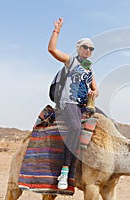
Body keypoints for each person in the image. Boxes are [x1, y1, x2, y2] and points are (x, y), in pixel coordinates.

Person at [48, 17, 99, 190]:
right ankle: (64, 172)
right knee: (76, 128)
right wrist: (57, 30)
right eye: (85, 47)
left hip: (83, 104)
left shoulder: (89, 68)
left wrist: (94, 92)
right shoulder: (71, 61)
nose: (88, 50)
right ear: (79, 48)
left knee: (105, 122)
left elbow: (96, 89)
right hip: (68, 102)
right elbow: (52, 49)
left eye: (91, 48)